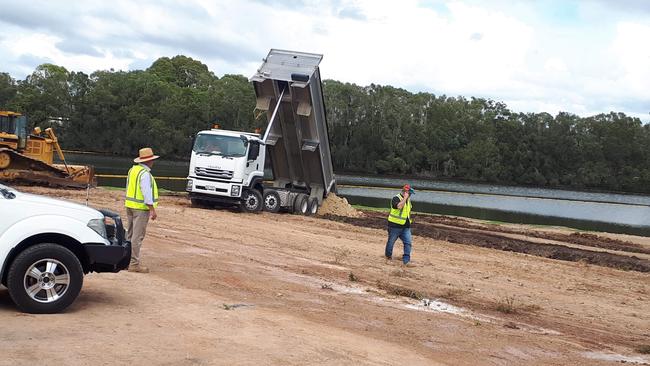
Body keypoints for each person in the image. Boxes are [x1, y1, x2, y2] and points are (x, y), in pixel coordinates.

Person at [124, 147, 160, 273]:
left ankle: (126, 261)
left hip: (130, 206)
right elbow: (146, 193)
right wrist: (152, 209)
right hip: (140, 209)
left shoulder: (132, 170)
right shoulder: (145, 174)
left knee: (129, 234)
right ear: (149, 161)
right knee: (137, 237)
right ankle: (133, 263)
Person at [385, 184, 415, 267]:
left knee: (408, 242)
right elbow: (399, 207)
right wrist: (405, 198)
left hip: (405, 227)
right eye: (410, 193)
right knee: (391, 242)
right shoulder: (396, 198)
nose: (411, 195)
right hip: (394, 226)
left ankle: (406, 261)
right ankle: (388, 257)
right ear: (405, 192)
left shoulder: (408, 201)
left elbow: (407, 212)